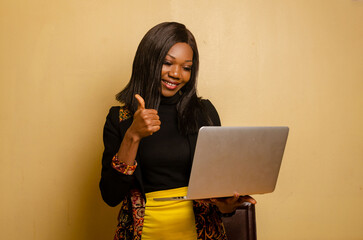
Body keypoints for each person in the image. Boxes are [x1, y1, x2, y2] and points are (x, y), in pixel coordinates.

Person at [100, 22, 256, 240]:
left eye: (186, 67)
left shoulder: (205, 112)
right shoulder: (120, 118)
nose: (176, 74)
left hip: (202, 233)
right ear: (148, 61)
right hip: (143, 233)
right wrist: (132, 136)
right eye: (167, 63)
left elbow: (218, 189)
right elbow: (110, 195)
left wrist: (226, 204)